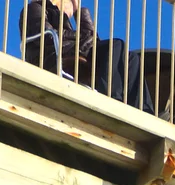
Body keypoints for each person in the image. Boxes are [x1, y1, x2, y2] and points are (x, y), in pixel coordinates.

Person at [20, 1, 153, 113]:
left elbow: (95, 41)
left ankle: (144, 109)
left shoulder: (64, 19)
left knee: (132, 57)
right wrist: (81, 37)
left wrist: (79, 13)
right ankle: (111, 96)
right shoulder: (35, 8)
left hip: (73, 51)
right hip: (52, 55)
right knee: (116, 45)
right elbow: (47, 36)